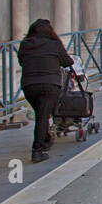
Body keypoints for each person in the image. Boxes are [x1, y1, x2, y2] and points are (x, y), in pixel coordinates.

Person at [17, 19, 73, 164]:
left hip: (29, 85)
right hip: (50, 84)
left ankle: (46, 138)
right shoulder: (54, 44)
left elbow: (21, 61)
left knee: (41, 114)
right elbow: (67, 62)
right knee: (43, 115)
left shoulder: (25, 44)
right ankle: (37, 149)